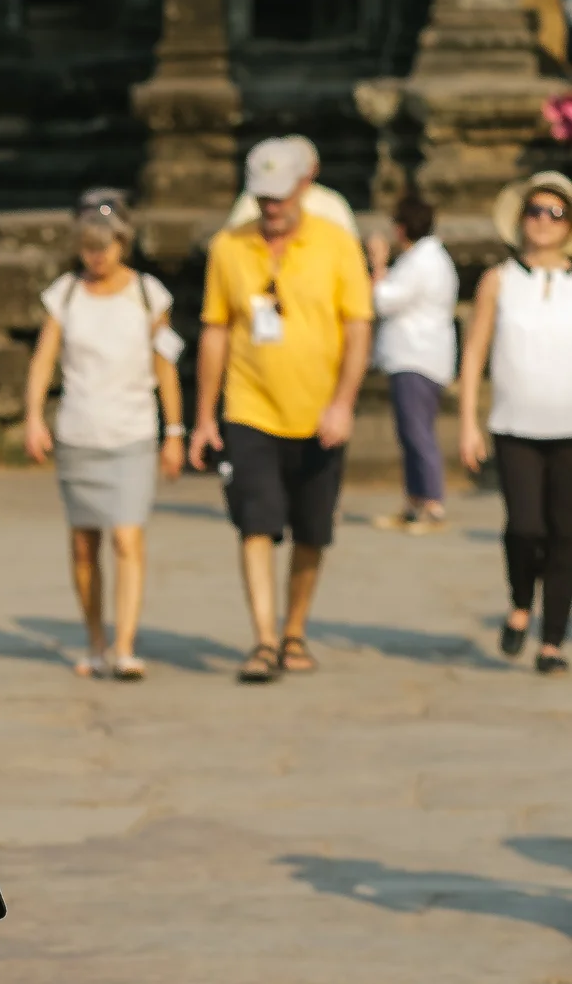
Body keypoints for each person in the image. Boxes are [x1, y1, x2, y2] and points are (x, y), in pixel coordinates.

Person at [188, 138, 374, 683]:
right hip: (250, 407)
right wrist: (205, 415)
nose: (272, 207)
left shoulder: (338, 244)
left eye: (281, 195)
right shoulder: (229, 246)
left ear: (304, 186)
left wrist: (343, 403)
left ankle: (294, 629)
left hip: (319, 412)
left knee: (312, 530)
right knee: (256, 522)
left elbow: (358, 327)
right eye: (262, 197)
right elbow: (215, 330)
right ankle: (264, 640)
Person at [21, 190, 186, 680]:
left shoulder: (148, 294)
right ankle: (95, 641)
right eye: (88, 247)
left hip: (133, 430)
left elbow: (166, 367)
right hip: (79, 432)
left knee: (127, 537)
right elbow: (43, 359)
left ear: (123, 244)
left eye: (106, 246)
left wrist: (174, 431)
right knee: (84, 543)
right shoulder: (65, 294)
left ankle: (125, 645)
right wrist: (34, 415)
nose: (97, 256)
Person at [458, 170, 572, 674]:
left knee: (567, 533)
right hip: (514, 423)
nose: (543, 222)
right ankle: (521, 601)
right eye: (535, 211)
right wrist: (467, 420)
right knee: (525, 526)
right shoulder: (499, 280)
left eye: (556, 212)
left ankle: (552, 640)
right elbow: (475, 352)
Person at [366, 196, 459, 532]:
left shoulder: (421, 261)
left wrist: (377, 264)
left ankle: (432, 505)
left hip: (415, 357)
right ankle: (415, 501)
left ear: (401, 228)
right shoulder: (426, 259)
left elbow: (382, 299)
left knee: (418, 434)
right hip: (419, 355)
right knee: (411, 432)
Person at [223, 135, 359, 239]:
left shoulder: (331, 203)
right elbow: (234, 240)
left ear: (315, 169)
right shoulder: (252, 198)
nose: (270, 207)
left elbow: (348, 246)